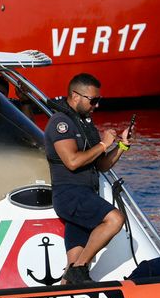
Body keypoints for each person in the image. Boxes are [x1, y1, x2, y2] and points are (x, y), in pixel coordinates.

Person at [44, 74, 129, 285]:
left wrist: (121, 146)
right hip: (70, 194)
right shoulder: (60, 123)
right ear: (75, 96)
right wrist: (102, 144)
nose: (96, 105)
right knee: (115, 219)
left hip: (85, 194)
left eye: (98, 100)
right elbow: (72, 161)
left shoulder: (83, 123)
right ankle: (78, 270)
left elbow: (101, 165)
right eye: (93, 100)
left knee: (74, 265)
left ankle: (69, 285)